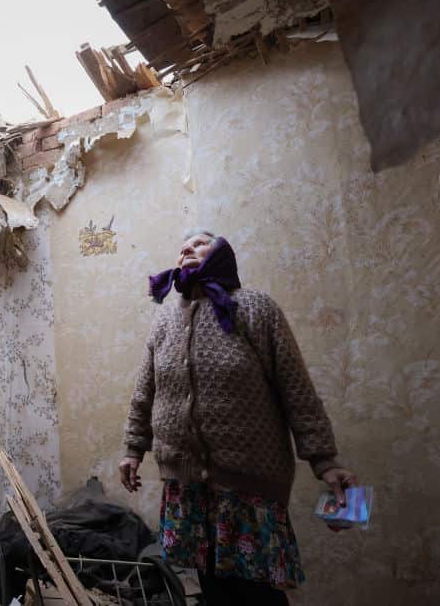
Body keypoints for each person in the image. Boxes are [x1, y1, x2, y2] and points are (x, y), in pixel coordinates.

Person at [119, 229, 357, 606]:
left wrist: (325, 461)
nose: (186, 248)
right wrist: (133, 449)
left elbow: (296, 391)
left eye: (199, 243)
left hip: (248, 487)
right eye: (182, 246)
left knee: (256, 593)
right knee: (212, 590)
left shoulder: (256, 309)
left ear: (222, 253)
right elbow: (145, 392)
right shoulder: (164, 321)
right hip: (187, 488)